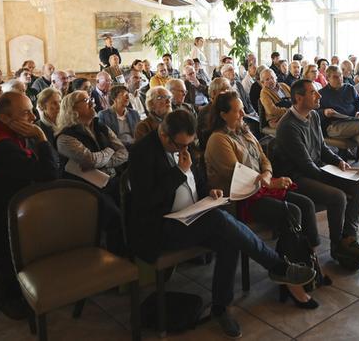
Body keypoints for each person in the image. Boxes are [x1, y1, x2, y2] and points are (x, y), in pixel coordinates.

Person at [126, 110, 316, 337]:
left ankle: (221, 307)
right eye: (180, 146)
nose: (185, 150)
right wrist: (178, 172)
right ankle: (277, 266)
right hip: (159, 228)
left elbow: (198, 180)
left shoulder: (183, 144)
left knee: (230, 237)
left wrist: (208, 191)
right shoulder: (141, 152)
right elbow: (146, 201)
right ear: (165, 136)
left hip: (192, 216)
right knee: (220, 220)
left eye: (189, 144)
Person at [205, 92, 321, 309]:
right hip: (239, 199)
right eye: (237, 110)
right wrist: (268, 183)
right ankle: (290, 279)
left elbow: (264, 159)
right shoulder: (218, 139)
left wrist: (268, 177)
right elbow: (237, 176)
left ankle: (306, 265)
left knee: (305, 204)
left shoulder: (244, 131)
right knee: (290, 211)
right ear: (223, 114)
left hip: (260, 190)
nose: (243, 113)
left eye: (242, 108)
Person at [0, 91, 58, 319]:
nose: (33, 119)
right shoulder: (2, 147)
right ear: (6, 119)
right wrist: (41, 139)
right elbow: (49, 174)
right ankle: (12, 295)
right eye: (26, 113)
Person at [273, 79, 359, 270]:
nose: (319, 96)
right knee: (337, 196)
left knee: (356, 183)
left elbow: (322, 148)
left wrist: (338, 162)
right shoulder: (288, 126)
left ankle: (349, 239)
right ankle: (337, 246)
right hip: (296, 178)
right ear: (298, 98)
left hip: (316, 169)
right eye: (313, 92)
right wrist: (334, 178)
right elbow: (305, 166)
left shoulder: (313, 116)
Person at [56, 90, 125, 252]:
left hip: (111, 180)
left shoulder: (101, 127)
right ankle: (115, 257)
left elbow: (123, 152)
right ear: (73, 109)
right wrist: (109, 150)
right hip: (86, 187)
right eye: (86, 100)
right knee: (114, 216)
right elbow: (90, 160)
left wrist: (103, 163)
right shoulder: (64, 138)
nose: (92, 102)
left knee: (135, 205)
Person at [98, 85, 140, 149]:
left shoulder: (134, 113)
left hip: (134, 146)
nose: (128, 97)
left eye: (128, 95)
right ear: (114, 98)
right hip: (117, 148)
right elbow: (104, 138)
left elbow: (138, 134)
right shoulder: (104, 115)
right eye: (124, 95)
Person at [197, 78, 231, 147]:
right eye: (223, 90)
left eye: (228, 89)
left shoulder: (227, 107)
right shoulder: (206, 112)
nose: (227, 93)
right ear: (213, 93)